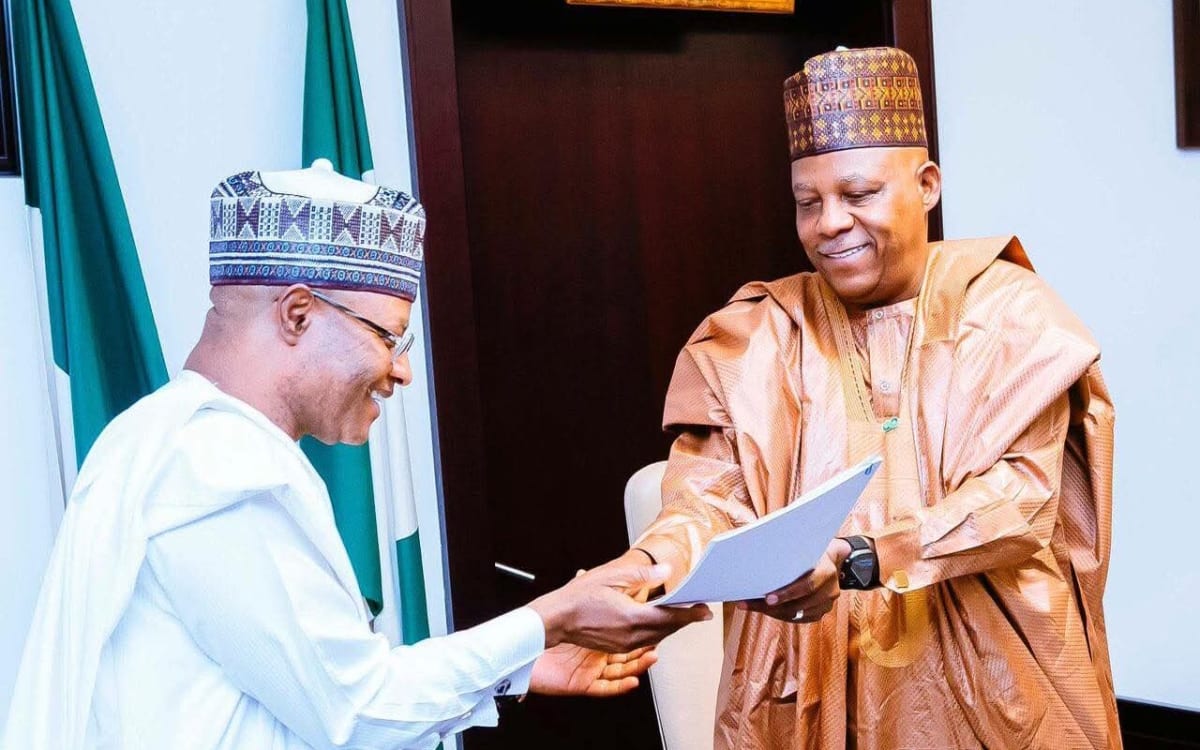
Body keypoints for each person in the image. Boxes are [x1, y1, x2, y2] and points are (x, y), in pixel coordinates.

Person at [2, 163, 710, 750]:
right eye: (388, 337)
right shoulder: (212, 464)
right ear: (299, 313)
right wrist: (551, 616)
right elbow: (354, 712)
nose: (401, 372)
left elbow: (318, 684)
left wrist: (514, 667)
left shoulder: (162, 434)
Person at [615, 46, 1121, 749]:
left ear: (928, 185)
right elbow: (706, 496)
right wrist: (646, 567)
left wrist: (863, 557)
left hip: (990, 691)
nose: (830, 224)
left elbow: (1020, 500)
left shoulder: (1010, 314)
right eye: (808, 202)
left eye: (859, 195)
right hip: (804, 690)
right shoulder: (762, 331)